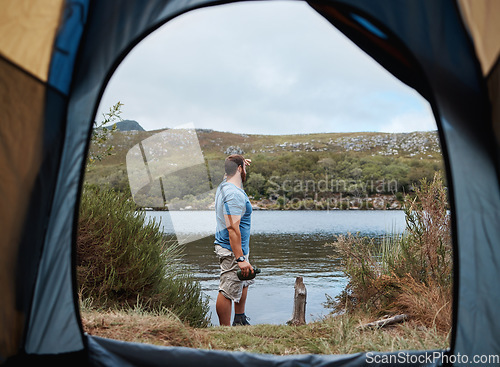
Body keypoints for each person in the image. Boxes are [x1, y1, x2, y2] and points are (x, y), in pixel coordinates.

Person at [214, 154, 254, 326]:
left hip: (239, 247)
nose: (245, 170)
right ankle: (225, 330)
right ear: (239, 170)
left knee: (243, 281)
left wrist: (239, 163)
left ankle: (240, 319)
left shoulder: (225, 185)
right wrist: (240, 258)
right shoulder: (233, 194)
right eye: (243, 167)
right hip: (232, 249)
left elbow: (231, 175)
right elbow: (232, 228)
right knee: (227, 289)